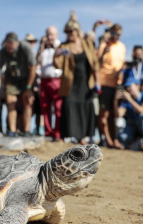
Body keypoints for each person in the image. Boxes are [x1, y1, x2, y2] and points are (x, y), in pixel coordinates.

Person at [54, 11, 100, 144]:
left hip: (86, 82)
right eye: (67, 32)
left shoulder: (87, 44)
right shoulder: (64, 46)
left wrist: (98, 82)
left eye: (71, 32)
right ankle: (66, 136)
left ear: (77, 31)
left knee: (85, 107)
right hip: (70, 83)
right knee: (69, 105)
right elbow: (58, 65)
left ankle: (82, 137)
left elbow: (95, 64)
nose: (69, 34)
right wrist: (56, 55)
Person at [0, 32, 36, 136]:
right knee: (11, 101)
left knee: (27, 101)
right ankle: (12, 131)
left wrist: (29, 87)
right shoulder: (3, 52)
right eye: (8, 45)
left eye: (12, 46)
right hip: (11, 79)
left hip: (26, 79)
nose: (10, 48)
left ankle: (26, 131)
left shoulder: (25, 47)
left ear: (17, 43)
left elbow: (33, 68)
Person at [97, 23, 126, 148]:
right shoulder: (104, 45)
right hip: (104, 83)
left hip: (117, 83)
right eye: (113, 34)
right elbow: (96, 64)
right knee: (104, 113)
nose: (115, 37)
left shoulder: (122, 47)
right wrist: (103, 53)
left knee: (114, 114)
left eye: (118, 34)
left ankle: (114, 139)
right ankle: (107, 140)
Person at [37, 26, 62, 140]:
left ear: (56, 35)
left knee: (57, 107)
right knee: (45, 107)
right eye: (48, 34)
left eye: (52, 34)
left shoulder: (60, 46)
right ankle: (48, 132)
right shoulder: (43, 49)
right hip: (44, 80)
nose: (49, 37)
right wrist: (40, 49)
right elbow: (37, 63)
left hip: (56, 80)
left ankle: (57, 132)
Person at [115, 77, 143, 152]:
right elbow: (119, 115)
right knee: (123, 136)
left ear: (138, 86)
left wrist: (130, 99)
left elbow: (142, 111)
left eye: (130, 86)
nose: (128, 89)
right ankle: (136, 143)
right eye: (126, 87)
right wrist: (115, 101)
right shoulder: (126, 101)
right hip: (132, 126)